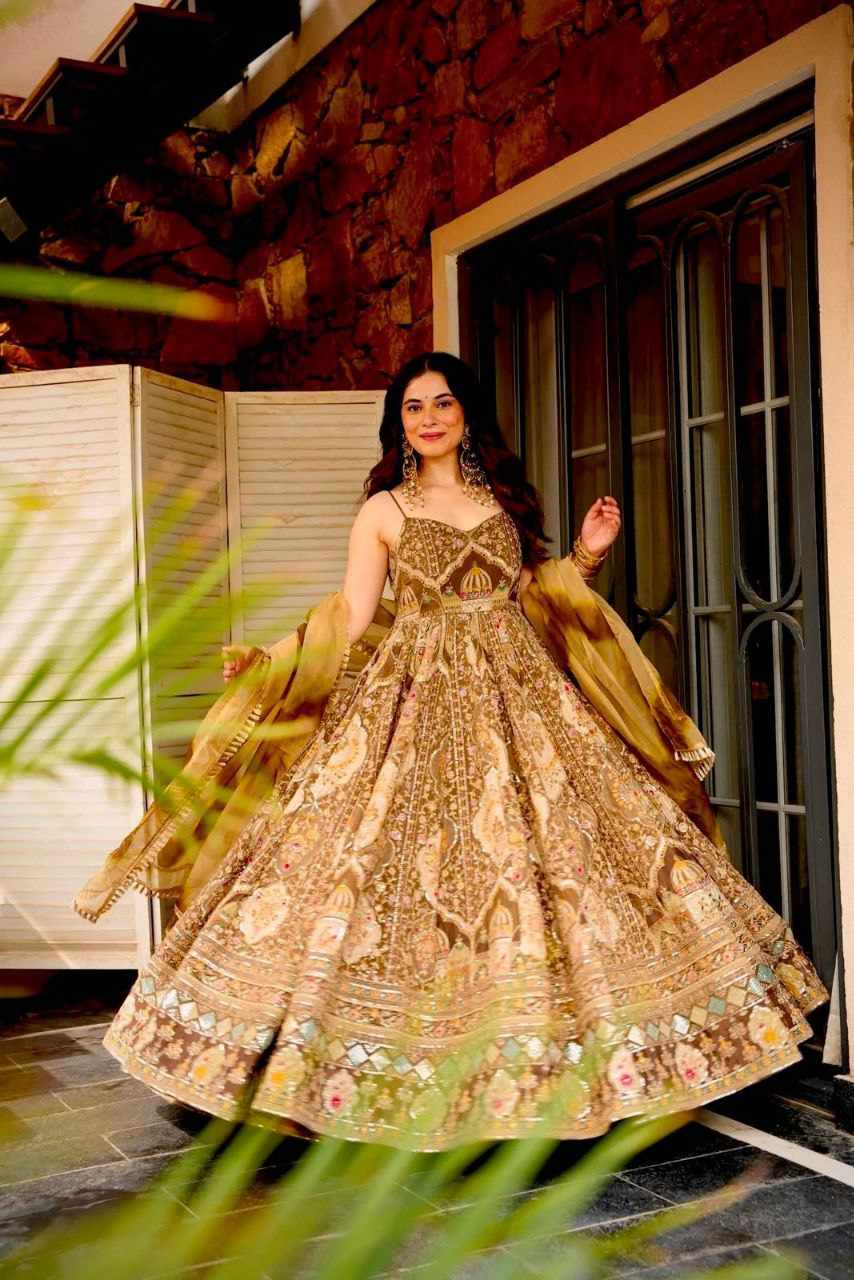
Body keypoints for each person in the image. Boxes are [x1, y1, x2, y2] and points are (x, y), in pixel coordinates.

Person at [75, 351, 828, 1151]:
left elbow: (535, 598)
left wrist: (587, 554)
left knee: (572, 857)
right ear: (398, 425)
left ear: (466, 413)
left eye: (441, 403)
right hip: (413, 701)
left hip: (526, 703)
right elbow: (351, 617)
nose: (428, 418)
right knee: (379, 866)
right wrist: (270, 662)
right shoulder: (383, 510)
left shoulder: (500, 500)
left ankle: (588, 1060)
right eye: (413, 408)